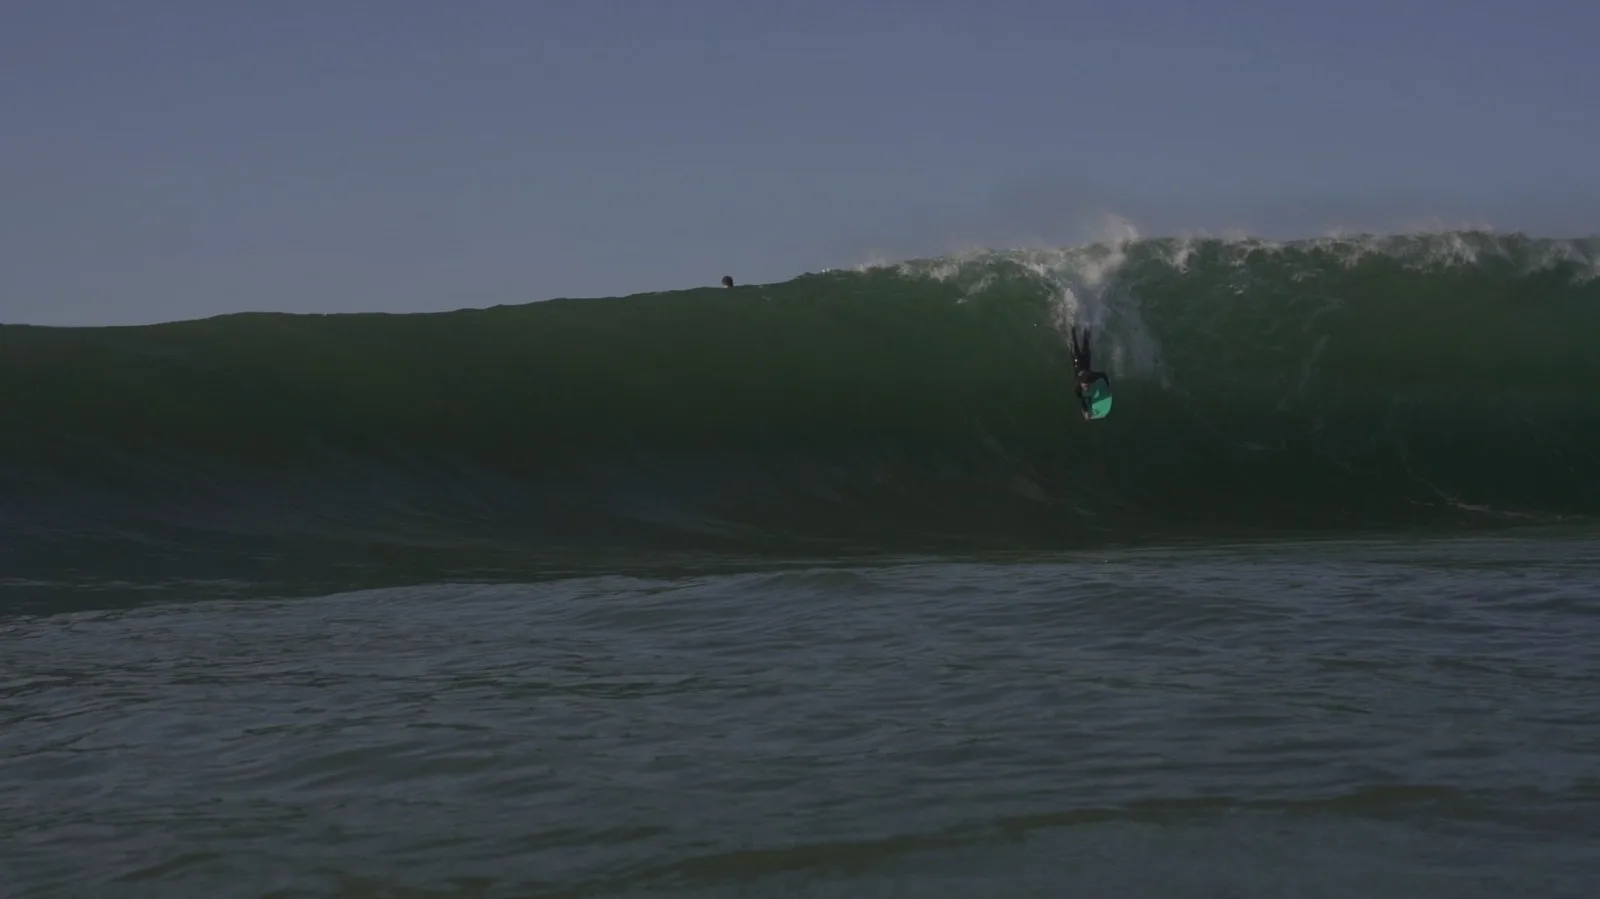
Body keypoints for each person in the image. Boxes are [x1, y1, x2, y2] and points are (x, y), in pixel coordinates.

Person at [1070, 326, 1111, 419]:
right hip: (1081, 360)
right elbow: (1082, 401)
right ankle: (1072, 326)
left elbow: (1103, 375)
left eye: (1087, 386)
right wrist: (1086, 411)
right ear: (1081, 383)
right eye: (1085, 386)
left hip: (1082, 360)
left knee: (1085, 340)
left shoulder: (1091, 377)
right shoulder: (1078, 389)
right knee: (1074, 341)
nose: (1086, 387)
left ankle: (1086, 324)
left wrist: (1108, 385)